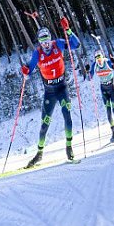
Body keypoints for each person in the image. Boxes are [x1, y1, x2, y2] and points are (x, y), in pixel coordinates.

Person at [21, 18, 81, 167]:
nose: (46, 44)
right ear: (39, 42)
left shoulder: (58, 44)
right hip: (49, 92)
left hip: (62, 88)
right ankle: (39, 154)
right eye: (42, 41)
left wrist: (68, 30)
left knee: (67, 116)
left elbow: (76, 45)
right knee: (44, 124)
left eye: (47, 40)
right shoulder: (38, 54)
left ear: (50, 39)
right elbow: (29, 71)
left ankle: (69, 148)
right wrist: (25, 71)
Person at [87, 50, 114, 143]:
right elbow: (89, 78)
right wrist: (88, 70)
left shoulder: (107, 62)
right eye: (97, 58)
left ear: (102, 56)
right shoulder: (95, 65)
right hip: (103, 89)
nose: (99, 60)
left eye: (100, 57)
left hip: (111, 88)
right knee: (108, 113)